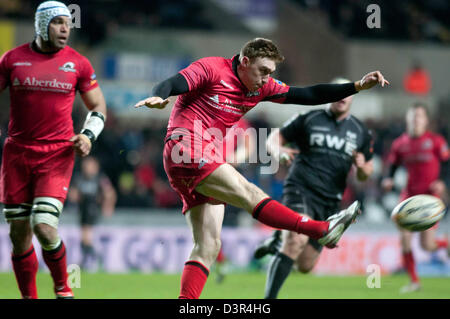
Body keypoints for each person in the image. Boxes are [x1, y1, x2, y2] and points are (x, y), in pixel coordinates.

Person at [135, 38, 389, 299]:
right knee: (249, 193)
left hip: (196, 160)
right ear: (245, 62)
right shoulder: (212, 68)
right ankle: (321, 229)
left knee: (209, 245)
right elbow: (174, 82)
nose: (266, 78)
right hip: (185, 146)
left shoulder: (262, 88)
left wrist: (357, 86)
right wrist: (159, 94)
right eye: (263, 71)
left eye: (270, 73)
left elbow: (308, 94)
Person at [0, 1, 107, 299]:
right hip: (16, 155)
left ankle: (63, 287)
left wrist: (87, 135)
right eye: (59, 23)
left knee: (44, 227)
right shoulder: (11, 60)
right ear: (42, 24)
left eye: (68, 24)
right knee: (18, 234)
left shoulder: (79, 64)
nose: (65, 29)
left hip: (56, 155)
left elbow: (98, 106)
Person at [253, 77, 375, 298]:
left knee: (305, 265)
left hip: (329, 201)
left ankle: (278, 239)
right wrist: (277, 151)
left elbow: (367, 172)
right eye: (337, 92)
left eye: (346, 93)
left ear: (352, 98)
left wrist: (362, 167)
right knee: (295, 241)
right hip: (301, 188)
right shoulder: (309, 118)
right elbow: (273, 138)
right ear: (330, 95)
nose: (342, 97)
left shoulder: (361, 132)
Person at [381, 103, 449, 293]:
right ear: (407, 119)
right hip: (409, 197)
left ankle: (446, 244)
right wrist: (388, 179)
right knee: (404, 239)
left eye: (419, 116)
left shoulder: (436, 141)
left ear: (426, 120)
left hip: (430, 198)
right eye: (412, 116)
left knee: (427, 246)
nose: (415, 120)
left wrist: (442, 182)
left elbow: (447, 165)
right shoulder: (400, 143)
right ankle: (414, 281)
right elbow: (392, 166)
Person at [69, 156, 116, 271]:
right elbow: (72, 194)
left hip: (92, 209)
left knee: (86, 236)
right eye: (86, 165)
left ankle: (94, 258)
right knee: (85, 238)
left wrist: (107, 206)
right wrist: (75, 198)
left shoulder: (100, 178)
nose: (87, 168)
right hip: (82, 210)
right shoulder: (79, 178)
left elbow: (110, 193)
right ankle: (89, 259)